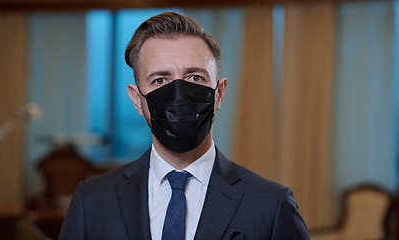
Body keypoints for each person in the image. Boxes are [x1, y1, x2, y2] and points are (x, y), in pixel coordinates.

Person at [58, 11, 309, 240]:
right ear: (137, 100)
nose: (178, 93)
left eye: (194, 77)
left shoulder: (271, 204)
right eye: (160, 80)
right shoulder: (91, 200)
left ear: (219, 93)